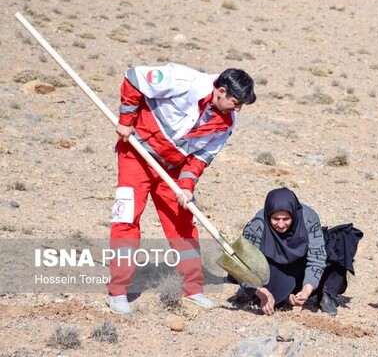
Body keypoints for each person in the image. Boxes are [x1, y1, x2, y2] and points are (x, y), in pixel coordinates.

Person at [106, 62, 256, 316]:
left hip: (173, 168)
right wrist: (126, 120)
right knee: (127, 218)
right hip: (136, 154)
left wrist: (186, 187)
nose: (238, 109)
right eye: (235, 101)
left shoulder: (226, 123)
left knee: (184, 223)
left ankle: (192, 287)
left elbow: (199, 158)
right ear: (220, 90)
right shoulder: (184, 81)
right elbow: (133, 78)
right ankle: (117, 291)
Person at [238, 187, 362, 316]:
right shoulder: (257, 226)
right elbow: (241, 265)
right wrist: (259, 291)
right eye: (275, 219)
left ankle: (326, 294)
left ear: (294, 214)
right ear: (268, 214)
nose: (281, 225)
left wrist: (307, 289)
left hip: (303, 265)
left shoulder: (307, 217)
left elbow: (316, 257)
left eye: (286, 219)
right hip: (276, 269)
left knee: (343, 238)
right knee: (268, 296)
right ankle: (278, 295)